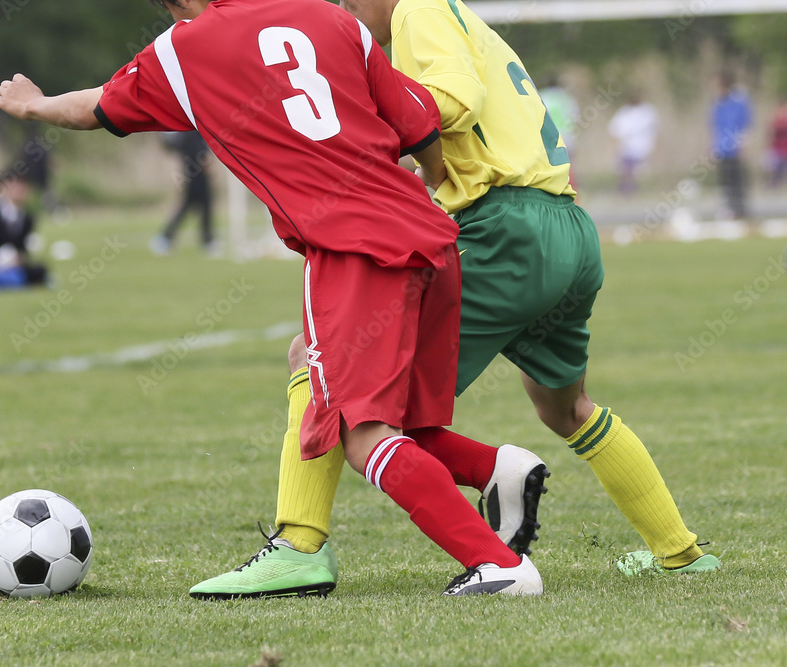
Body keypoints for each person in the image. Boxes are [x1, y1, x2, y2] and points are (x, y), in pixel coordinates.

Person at [0, 0, 545, 597]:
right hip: (429, 237)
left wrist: (35, 104)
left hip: (353, 250)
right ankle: (497, 472)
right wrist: (433, 187)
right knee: (370, 402)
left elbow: (95, 107)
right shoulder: (332, 17)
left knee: (363, 436)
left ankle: (497, 566)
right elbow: (419, 123)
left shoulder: (184, 48)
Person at [190, 0, 719, 599]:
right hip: (566, 227)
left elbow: (454, 98)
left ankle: (299, 546)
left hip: (499, 230)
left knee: (325, 366)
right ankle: (679, 553)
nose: (344, 10)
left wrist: (362, 128)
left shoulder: (419, 9)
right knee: (565, 408)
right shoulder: (464, 19)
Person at [150, 131, 216, 256]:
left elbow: (172, 146)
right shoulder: (194, 134)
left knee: (193, 208)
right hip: (197, 178)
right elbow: (202, 156)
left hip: (189, 177)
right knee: (201, 208)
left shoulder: (186, 134)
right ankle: (207, 242)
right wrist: (210, 169)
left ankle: (166, 238)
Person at [712, 72, 753, 220]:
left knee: (738, 180)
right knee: (725, 181)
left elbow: (744, 124)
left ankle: (741, 210)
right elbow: (714, 127)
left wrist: (743, 145)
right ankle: (728, 209)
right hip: (721, 149)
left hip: (735, 148)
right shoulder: (717, 104)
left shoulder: (738, 102)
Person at [608, 92, 659, 194]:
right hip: (628, 147)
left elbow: (655, 129)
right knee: (626, 170)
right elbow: (614, 129)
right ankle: (627, 189)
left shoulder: (647, 111)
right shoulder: (625, 112)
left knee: (636, 171)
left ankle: (632, 189)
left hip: (643, 148)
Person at [766, 99, 787, 188]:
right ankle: (774, 183)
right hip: (777, 146)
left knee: (782, 165)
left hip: (784, 146)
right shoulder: (776, 118)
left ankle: (779, 183)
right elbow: (771, 131)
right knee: (776, 166)